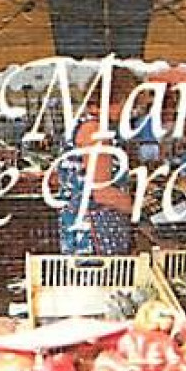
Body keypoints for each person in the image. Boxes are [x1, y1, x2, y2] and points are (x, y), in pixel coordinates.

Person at [49, 89, 136, 256]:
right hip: (97, 235)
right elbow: (102, 192)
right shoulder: (96, 132)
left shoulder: (79, 126)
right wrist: (139, 207)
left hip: (78, 228)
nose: (131, 111)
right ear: (117, 100)